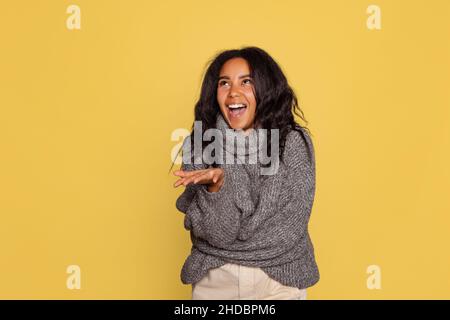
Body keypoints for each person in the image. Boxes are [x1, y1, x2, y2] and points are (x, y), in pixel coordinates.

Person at [172, 46, 319, 300]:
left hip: (280, 281)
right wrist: (216, 188)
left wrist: (231, 246)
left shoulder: (293, 142)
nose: (234, 93)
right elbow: (219, 234)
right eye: (224, 83)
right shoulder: (200, 145)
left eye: (246, 81)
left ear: (265, 88)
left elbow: (290, 230)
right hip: (217, 282)